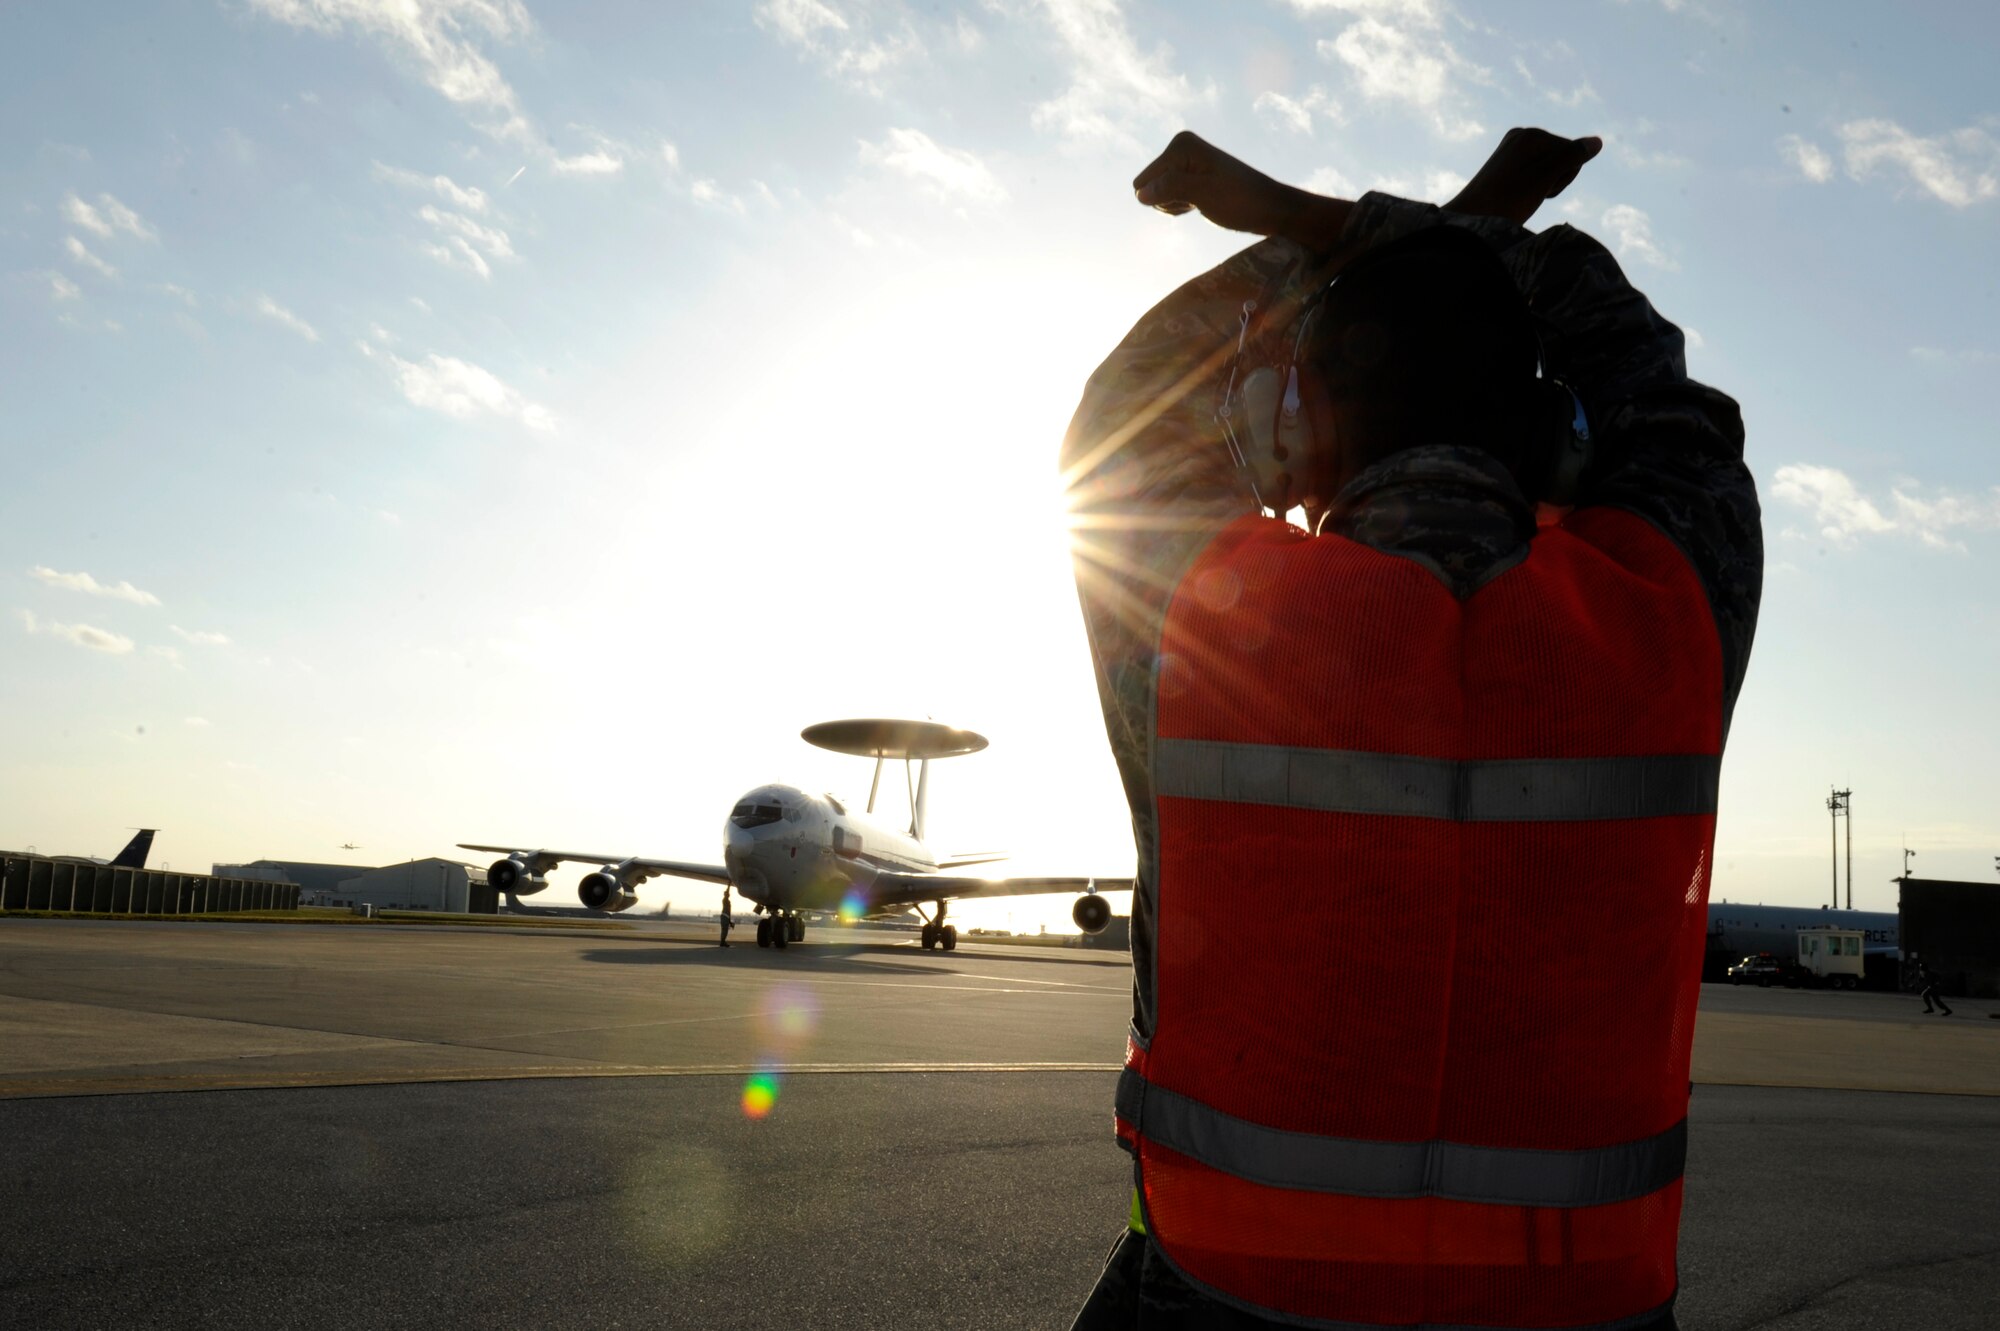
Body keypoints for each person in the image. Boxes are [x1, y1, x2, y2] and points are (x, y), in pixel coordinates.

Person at [1062, 128, 1761, 1331]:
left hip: (1234, 1292)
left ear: (1296, 430)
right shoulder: (1664, 612)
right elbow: (1658, 394)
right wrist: (1448, 229)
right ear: (1556, 438)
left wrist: (1312, 227)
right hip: (1581, 1301)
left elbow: (1123, 421)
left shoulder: (1208, 620)